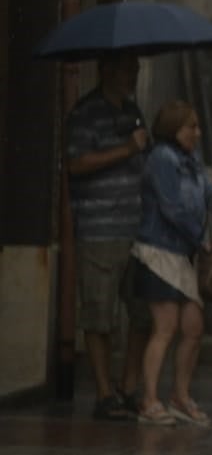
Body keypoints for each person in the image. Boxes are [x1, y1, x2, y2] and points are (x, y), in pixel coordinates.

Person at [130, 100, 212, 427]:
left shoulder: (190, 158)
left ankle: (180, 395)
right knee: (165, 327)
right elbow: (172, 207)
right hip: (159, 251)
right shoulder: (162, 157)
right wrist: (201, 238)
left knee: (193, 326)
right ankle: (149, 400)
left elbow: (204, 189)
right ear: (174, 127)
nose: (197, 133)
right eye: (191, 126)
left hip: (182, 253)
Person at [65, 55, 151, 420]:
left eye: (136, 69)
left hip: (137, 229)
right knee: (99, 314)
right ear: (107, 72)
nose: (134, 75)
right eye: (128, 69)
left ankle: (129, 386)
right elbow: (76, 163)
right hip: (99, 229)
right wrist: (126, 149)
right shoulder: (85, 113)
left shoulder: (133, 111)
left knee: (142, 312)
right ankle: (103, 392)